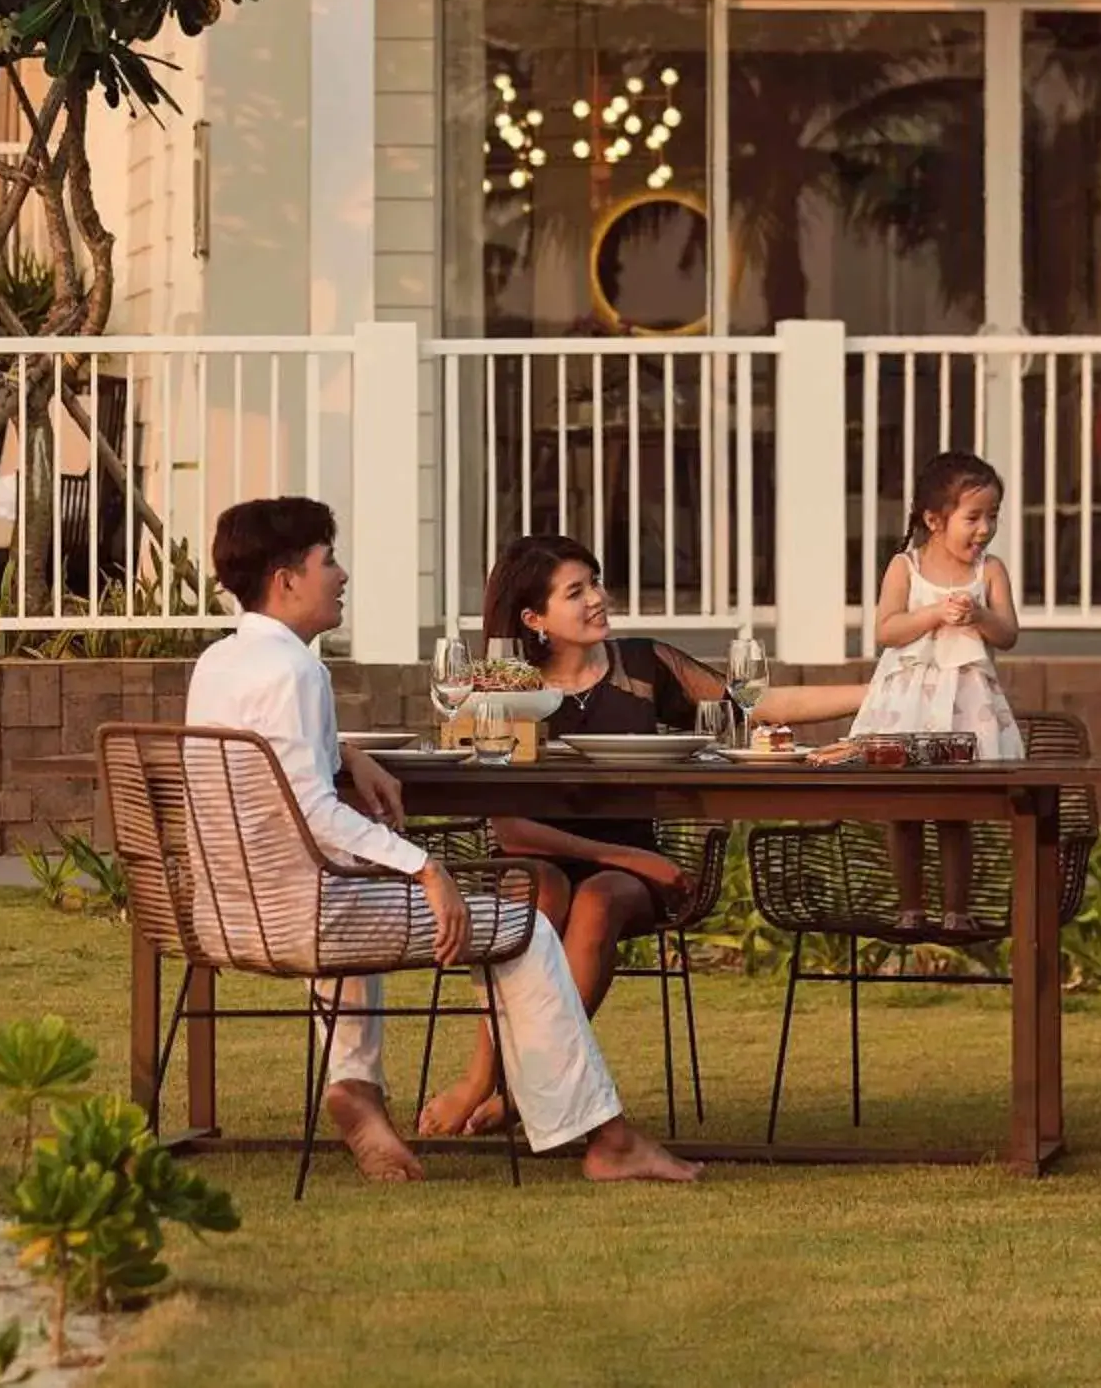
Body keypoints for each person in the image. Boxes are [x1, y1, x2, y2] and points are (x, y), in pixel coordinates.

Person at [184, 497, 699, 1186]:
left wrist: (345, 754)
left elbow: (277, 764)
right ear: (286, 580)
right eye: (327, 561)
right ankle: (606, 1140)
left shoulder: (218, 666)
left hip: (221, 917)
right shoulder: (297, 671)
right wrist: (427, 868)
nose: (340, 576)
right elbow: (312, 811)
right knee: (527, 931)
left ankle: (356, 1085)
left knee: (356, 885)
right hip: (306, 920)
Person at [415, 535, 729, 1139]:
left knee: (599, 899)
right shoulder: (504, 685)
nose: (598, 599)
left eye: (596, 583)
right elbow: (507, 825)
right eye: (576, 591)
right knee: (541, 893)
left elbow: (752, 704)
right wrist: (632, 854)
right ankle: (489, 1077)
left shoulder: (643, 665)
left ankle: (521, 1085)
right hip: (545, 854)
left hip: (627, 876)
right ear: (534, 619)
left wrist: (876, 693)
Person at [748, 452, 1025, 932]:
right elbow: (887, 629)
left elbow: (1008, 633)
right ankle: (910, 907)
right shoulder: (907, 566)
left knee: (956, 810)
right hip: (908, 705)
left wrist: (979, 617)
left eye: (993, 517)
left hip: (965, 706)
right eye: (973, 517)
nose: (984, 529)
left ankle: (957, 911)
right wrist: (935, 614)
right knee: (905, 807)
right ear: (934, 519)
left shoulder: (991, 571)